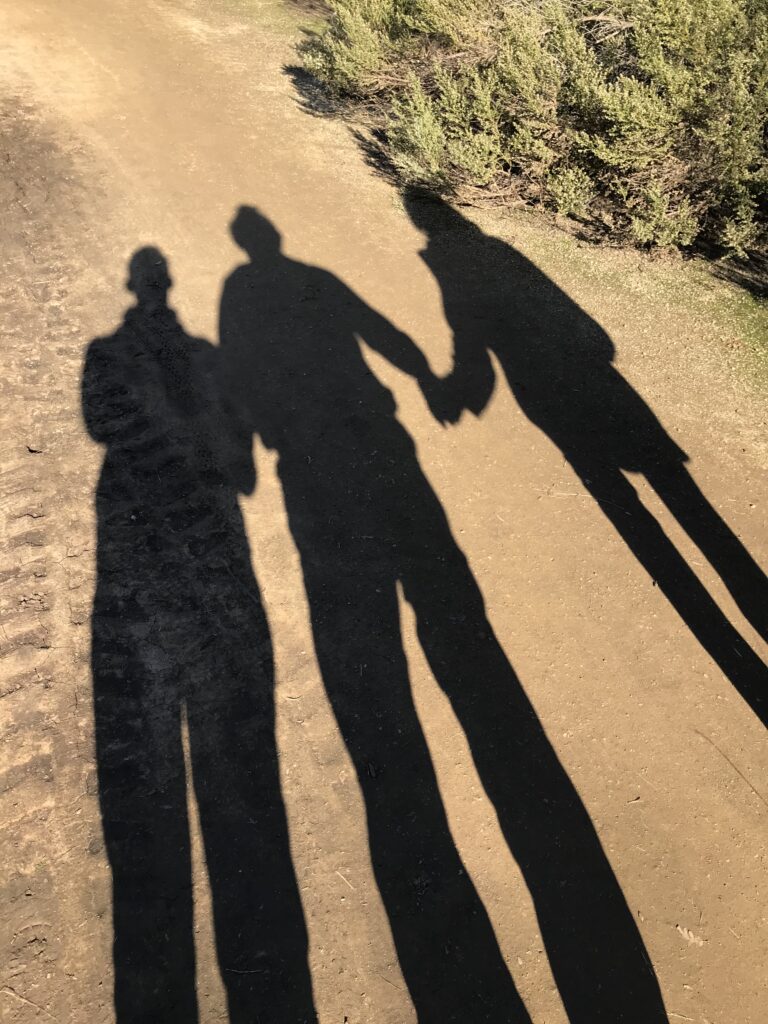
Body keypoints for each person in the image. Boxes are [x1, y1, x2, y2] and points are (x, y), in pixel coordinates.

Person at [218, 207, 669, 1023]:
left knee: (363, 619)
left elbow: (241, 374)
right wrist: (427, 374)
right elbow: (371, 325)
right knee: (446, 596)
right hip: (378, 440)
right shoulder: (300, 280)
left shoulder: (241, 291)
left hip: (314, 465)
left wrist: (245, 453)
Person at [404, 191, 767, 727]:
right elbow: (594, 339)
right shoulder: (497, 250)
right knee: (693, 508)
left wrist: (461, 393)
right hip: (608, 397)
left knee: (633, 504)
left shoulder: (454, 259)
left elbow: (470, 340)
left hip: (554, 407)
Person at [83, 248, 316, 1023]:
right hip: (208, 532)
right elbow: (242, 466)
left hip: (128, 518)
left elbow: (95, 423)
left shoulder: (105, 353)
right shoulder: (202, 353)